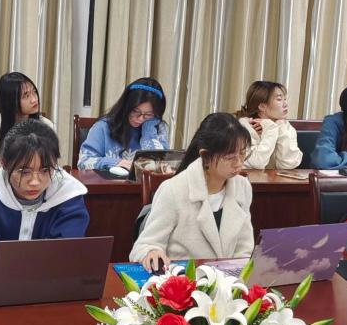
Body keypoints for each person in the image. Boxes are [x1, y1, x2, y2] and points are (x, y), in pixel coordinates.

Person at [0, 120, 89, 277]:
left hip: (48, 284)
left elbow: (67, 253)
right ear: (4, 164)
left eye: (45, 170)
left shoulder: (68, 197)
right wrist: (5, 259)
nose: (35, 182)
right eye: (24, 172)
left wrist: (23, 260)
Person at [130, 113, 254, 271]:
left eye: (242, 153)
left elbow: (245, 248)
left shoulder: (242, 187)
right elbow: (145, 245)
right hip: (184, 281)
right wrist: (151, 252)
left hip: (228, 279)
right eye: (230, 157)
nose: (239, 163)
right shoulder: (173, 190)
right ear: (205, 156)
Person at [78, 77, 170, 170]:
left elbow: (162, 166)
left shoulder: (158, 128)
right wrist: (115, 163)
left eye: (148, 114)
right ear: (125, 106)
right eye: (135, 111)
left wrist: (149, 135)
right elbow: (83, 162)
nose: (141, 118)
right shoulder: (103, 126)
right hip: (109, 179)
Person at [0, 72, 55, 169]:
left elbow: (53, 170)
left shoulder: (47, 126)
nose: (34, 99)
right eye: (26, 95)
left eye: (34, 92)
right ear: (10, 102)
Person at [234, 81, 302, 169]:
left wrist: (280, 128)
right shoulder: (244, 126)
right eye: (279, 99)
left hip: (273, 178)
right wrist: (271, 128)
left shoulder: (285, 127)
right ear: (262, 106)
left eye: (285, 99)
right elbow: (256, 163)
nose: (285, 104)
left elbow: (288, 164)